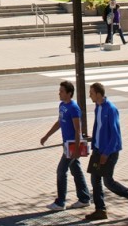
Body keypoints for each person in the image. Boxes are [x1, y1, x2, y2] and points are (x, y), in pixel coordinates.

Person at [85, 82, 128, 222]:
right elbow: (98, 128)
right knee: (94, 179)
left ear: (98, 94)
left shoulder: (110, 109)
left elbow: (115, 135)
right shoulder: (97, 108)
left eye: (91, 93)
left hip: (109, 152)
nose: (89, 95)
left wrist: (106, 153)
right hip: (98, 150)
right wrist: (94, 145)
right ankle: (100, 210)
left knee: (108, 181)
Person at [39, 80, 91, 211]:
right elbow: (59, 122)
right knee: (76, 170)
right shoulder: (62, 105)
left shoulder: (74, 108)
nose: (59, 93)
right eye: (59, 90)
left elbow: (77, 130)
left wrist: (77, 149)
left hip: (73, 145)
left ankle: (60, 202)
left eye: (62, 91)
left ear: (69, 93)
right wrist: (47, 135)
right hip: (66, 144)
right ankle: (84, 198)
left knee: (61, 171)